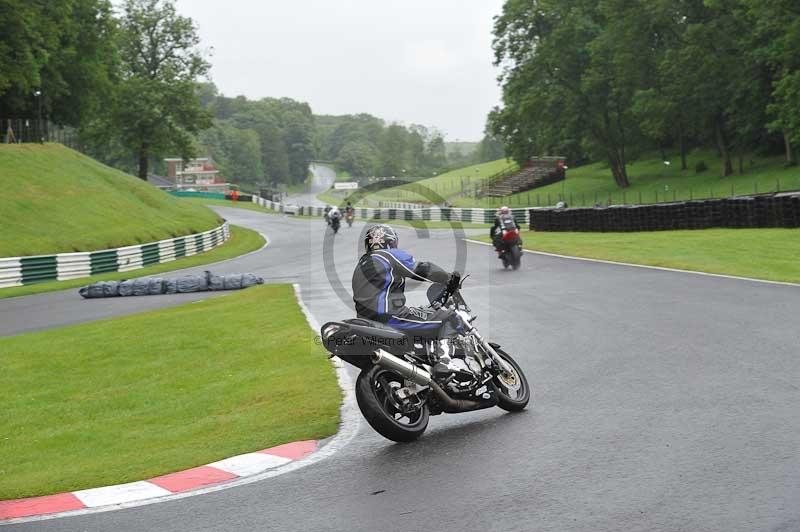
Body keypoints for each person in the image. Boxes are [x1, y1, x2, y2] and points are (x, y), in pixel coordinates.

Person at [352, 224, 461, 341]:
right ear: (391, 242)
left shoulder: (361, 264)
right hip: (390, 316)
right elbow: (422, 269)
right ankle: (444, 356)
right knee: (450, 318)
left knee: (421, 313)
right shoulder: (389, 255)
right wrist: (448, 278)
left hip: (365, 320)